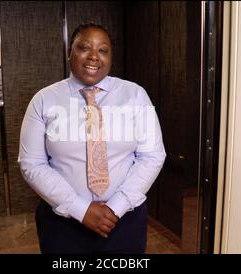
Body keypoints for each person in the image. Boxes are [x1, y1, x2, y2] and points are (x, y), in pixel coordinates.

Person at [18, 23, 166, 254]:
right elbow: (32, 163)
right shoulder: (44, 100)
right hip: (63, 225)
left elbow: (152, 156)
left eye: (103, 50)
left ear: (111, 57)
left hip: (124, 221)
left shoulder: (135, 95)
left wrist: (115, 208)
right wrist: (81, 209)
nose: (94, 57)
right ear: (70, 53)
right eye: (84, 48)